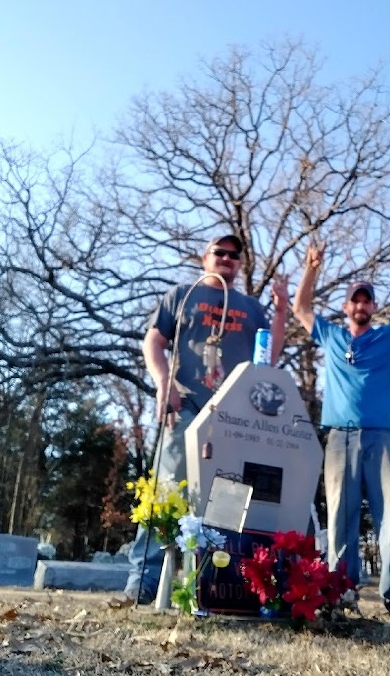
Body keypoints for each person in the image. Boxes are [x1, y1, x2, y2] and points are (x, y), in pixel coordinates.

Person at [121, 232, 288, 604]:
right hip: (187, 404)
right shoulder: (181, 295)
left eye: (234, 255)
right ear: (205, 257)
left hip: (234, 413)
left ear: (241, 264)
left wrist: (280, 311)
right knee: (168, 490)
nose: (227, 258)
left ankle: (214, 584)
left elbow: (269, 355)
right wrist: (165, 382)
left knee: (227, 496)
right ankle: (145, 582)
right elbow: (153, 341)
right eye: (220, 252)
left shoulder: (251, 307)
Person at [292, 239, 390, 631]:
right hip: (340, 439)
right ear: (346, 307)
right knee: (340, 517)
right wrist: (311, 267)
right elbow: (301, 308)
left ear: (373, 308)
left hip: (382, 437)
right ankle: (340, 591)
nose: (360, 306)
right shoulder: (331, 336)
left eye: (366, 301)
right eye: (355, 301)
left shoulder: (389, 337)